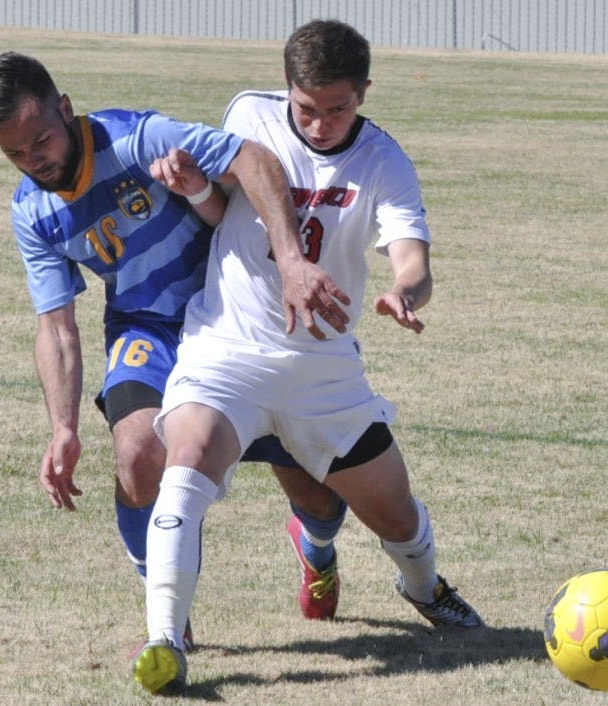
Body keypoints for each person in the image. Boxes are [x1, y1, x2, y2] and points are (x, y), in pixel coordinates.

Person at [133, 20, 484, 696]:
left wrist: (405, 292)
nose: (320, 125)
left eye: (337, 109)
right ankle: (164, 641)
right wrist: (197, 188)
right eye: (306, 109)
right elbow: (225, 212)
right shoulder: (249, 114)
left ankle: (423, 588)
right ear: (286, 88)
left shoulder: (384, 160)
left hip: (324, 369)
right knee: (187, 463)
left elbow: (414, 260)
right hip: (227, 350)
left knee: (394, 514)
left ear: (364, 93)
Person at [0, 52, 351, 649]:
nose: (34, 160)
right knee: (138, 451)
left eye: (41, 139)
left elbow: (252, 159)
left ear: (65, 109)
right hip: (144, 328)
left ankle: (316, 546)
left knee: (317, 493)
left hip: (232, 316)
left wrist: (292, 261)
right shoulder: (31, 210)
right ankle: (169, 619)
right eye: (14, 154)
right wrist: (63, 428)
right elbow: (57, 328)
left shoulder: (136, 138)